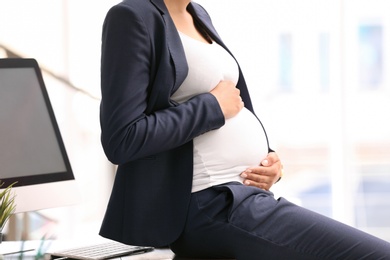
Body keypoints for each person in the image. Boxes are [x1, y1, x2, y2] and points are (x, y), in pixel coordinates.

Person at [99, 0, 390, 259]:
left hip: (244, 196)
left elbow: (234, 108)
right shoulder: (132, 16)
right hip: (210, 200)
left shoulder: (197, 14)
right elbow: (122, 137)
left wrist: (268, 161)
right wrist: (211, 107)